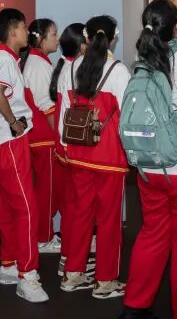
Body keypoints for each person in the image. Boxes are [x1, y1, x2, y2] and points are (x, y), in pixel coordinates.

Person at [117, 0, 177, 319]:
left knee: (152, 235)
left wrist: (176, 2)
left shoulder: (143, 57)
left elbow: (160, 19)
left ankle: (134, 309)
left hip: (147, 166)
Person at [56, 15, 131, 300]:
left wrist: (66, 147)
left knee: (80, 214)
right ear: (113, 39)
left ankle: (73, 274)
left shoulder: (71, 66)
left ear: (86, 38)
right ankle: (105, 280)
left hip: (78, 153)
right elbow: (126, 116)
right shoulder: (119, 71)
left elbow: (64, 112)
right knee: (109, 220)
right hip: (109, 155)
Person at [0, 8, 49, 304]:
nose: (27, 31)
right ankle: (27, 275)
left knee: (10, 206)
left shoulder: (5, 58)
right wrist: (14, 122)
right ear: (12, 32)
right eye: (23, 27)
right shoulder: (4, 60)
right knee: (26, 208)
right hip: (9, 143)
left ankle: (9, 264)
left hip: (4, 143)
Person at [19, 18, 62, 254]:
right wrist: (60, 137)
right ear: (41, 39)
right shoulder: (38, 65)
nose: (57, 38)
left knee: (47, 188)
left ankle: (43, 235)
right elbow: (47, 106)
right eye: (53, 34)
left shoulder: (37, 62)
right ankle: (43, 238)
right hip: (44, 138)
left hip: (40, 137)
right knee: (47, 190)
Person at [49, 23, 88, 277]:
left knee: (72, 205)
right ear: (81, 45)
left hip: (65, 146)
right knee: (76, 207)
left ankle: (69, 257)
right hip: (72, 147)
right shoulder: (75, 70)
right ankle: (72, 260)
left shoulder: (66, 68)